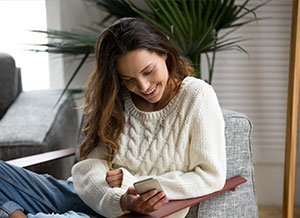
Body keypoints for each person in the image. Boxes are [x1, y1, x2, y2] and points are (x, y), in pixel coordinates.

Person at [0, 17, 226, 218]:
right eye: (129, 79)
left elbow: (210, 176)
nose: (144, 86)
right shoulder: (116, 98)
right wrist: (118, 200)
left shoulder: (197, 96)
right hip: (86, 197)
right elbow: (89, 166)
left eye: (148, 71)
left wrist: (134, 187)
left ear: (164, 53)